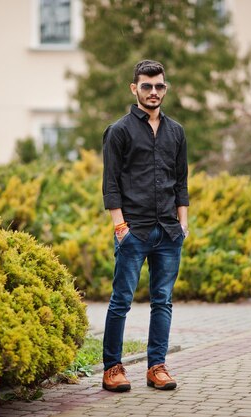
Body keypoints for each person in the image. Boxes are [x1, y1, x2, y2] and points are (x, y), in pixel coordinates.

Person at [101, 60, 189, 392]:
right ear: (134, 88)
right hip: (132, 231)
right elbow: (110, 184)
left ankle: (157, 367)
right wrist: (119, 227)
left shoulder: (176, 132)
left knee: (163, 301)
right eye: (147, 86)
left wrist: (183, 224)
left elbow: (181, 182)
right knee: (121, 299)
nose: (153, 92)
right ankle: (112, 368)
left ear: (165, 89)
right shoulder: (119, 131)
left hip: (168, 231)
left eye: (159, 86)